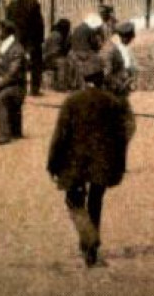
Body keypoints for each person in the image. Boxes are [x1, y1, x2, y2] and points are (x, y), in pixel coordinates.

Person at [47, 69, 132, 268]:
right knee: (95, 201)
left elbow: (60, 135)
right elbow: (122, 136)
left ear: (83, 80)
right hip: (102, 163)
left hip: (74, 163)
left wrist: (52, 163)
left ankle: (89, 237)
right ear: (101, 81)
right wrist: (119, 164)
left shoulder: (72, 101)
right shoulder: (112, 102)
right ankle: (91, 252)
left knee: (74, 200)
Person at [6, 0, 47, 97]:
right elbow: (38, 23)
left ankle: (18, 87)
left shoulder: (13, 1)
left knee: (18, 62)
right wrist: (40, 39)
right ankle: (34, 89)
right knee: (36, 63)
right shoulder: (33, 1)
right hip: (32, 39)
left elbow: (8, 19)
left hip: (16, 37)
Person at [67, 13, 105, 86]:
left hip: (74, 51)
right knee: (100, 61)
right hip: (84, 52)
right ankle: (94, 81)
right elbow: (94, 43)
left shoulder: (78, 27)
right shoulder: (90, 30)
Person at [101, 21, 137, 97]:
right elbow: (107, 73)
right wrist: (119, 84)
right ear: (124, 38)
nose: (131, 40)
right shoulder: (113, 51)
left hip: (122, 86)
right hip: (114, 89)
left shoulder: (124, 48)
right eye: (130, 38)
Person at [44, 18, 74, 92]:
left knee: (69, 61)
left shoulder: (58, 34)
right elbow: (54, 52)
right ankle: (61, 86)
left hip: (53, 57)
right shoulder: (56, 35)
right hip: (49, 58)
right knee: (63, 63)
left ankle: (68, 84)